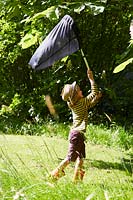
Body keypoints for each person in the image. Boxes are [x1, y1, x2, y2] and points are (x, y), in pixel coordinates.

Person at [50, 69, 102, 182]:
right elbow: (94, 92)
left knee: (81, 158)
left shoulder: (74, 104)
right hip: (77, 135)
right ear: (75, 95)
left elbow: (88, 105)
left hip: (78, 135)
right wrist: (91, 79)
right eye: (79, 90)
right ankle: (54, 174)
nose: (81, 90)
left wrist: (96, 99)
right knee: (70, 158)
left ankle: (77, 179)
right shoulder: (81, 102)